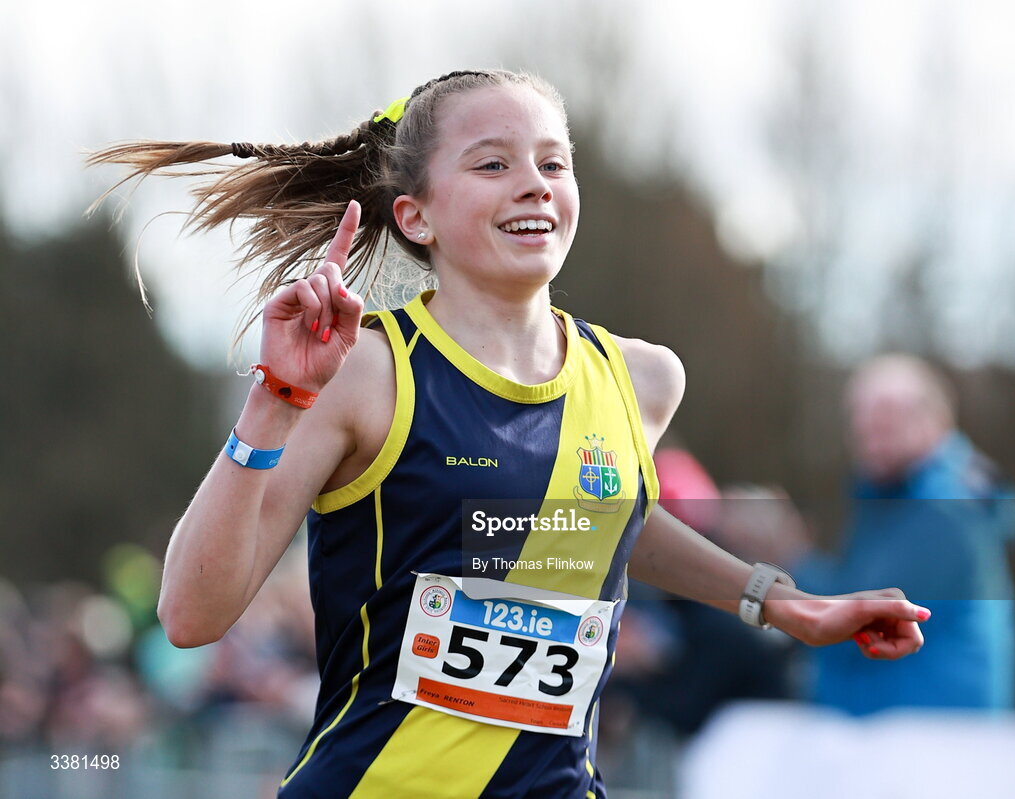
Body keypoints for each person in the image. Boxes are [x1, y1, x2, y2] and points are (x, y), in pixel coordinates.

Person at [89, 70, 931, 798]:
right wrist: (273, 403)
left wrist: (784, 602)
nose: (533, 182)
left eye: (552, 162)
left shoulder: (639, 379)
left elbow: (604, 518)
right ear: (415, 217)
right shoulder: (366, 370)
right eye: (493, 163)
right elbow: (190, 615)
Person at [793, 354, 1015, 715]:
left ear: (935, 421)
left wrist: (789, 563)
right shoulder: (888, 499)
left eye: (886, 419)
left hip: (928, 742)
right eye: (858, 416)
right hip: (899, 735)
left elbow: (857, 623)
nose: (867, 431)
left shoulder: (947, 513)